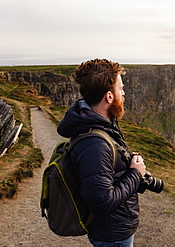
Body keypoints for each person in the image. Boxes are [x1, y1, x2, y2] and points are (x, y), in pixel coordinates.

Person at [57, 58, 146, 247]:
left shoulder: (99, 125)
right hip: (112, 235)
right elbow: (101, 202)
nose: (124, 93)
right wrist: (136, 174)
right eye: (120, 89)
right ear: (109, 97)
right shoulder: (95, 144)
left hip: (113, 229)